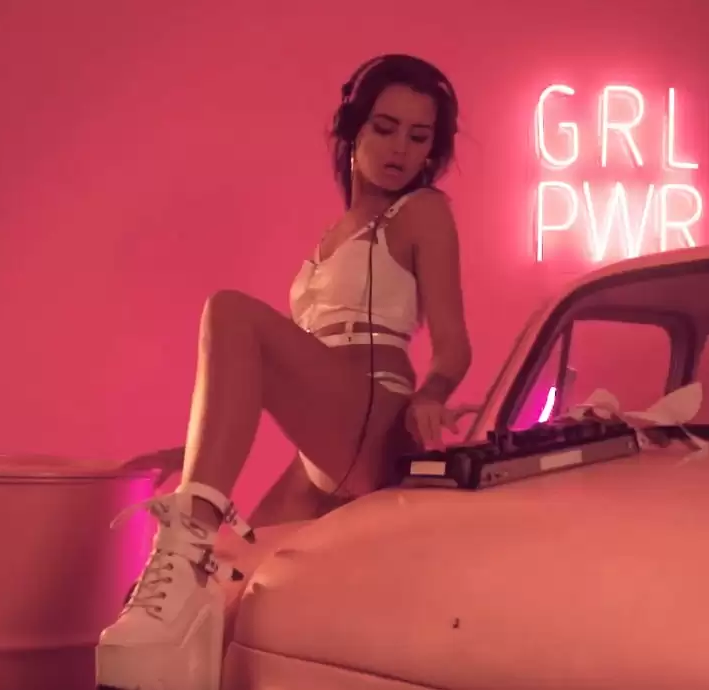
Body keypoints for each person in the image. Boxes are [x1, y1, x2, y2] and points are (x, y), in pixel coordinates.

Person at [96, 53, 472, 690]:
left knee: (229, 312)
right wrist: (195, 449)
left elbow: (455, 345)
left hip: (377, 420)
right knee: (227, 595)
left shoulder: (421, 213)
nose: (400, 150)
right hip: (324, 447)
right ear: (351, 128)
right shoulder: (330, 239)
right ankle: (183, 578)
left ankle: (184, 538)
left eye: (418, 136)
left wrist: (432, 394)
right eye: (385, 128)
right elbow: (276, 382)